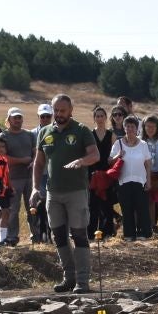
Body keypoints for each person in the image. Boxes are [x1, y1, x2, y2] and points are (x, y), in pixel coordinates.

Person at [35, 94, 99, 291]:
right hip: (53, 193)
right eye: (56, 110)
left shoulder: (81, 130)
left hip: (76, 192)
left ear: (71, 110)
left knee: (79, 235)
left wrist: (81, 161)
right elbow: (38, 163)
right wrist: (35, 188)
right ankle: (68, 278)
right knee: (59, 236)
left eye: (63, 111)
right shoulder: (44, 132)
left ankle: (82, 281)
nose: (59, 114)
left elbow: (95, 155)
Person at [0, 108, 37, 246]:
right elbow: (1, 156)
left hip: (30, 177)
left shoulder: (29, 134)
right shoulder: (3, 136)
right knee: (13, 210)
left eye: (19, 117)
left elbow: (36, 152)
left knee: (33, 207)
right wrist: (22, 160)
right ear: (9, 119)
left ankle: (36, 235)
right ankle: (12, 237)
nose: (17, 120)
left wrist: (33, 162)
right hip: (12, 179)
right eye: (15, 118)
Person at [112, 115, 155, 241]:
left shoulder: (143, 144)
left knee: (142, 207)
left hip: (140, 181)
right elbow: (110, 160)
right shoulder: (118, 143)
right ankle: (129, 234)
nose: (130, 129)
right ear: (124, 128)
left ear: (137, 129)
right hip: (123, 181)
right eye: (128, 126)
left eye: (133, 126)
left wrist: (149, 181)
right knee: (127, 208)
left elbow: (148, 163)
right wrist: (118, 156)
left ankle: (144, 233)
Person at [85, 104, 117, 240]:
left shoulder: (112, 135)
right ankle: (91, 232)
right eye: (97, 116)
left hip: (107, 173)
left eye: (102, 116)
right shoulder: (89, 135)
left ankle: (107, 231)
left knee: (107, 203)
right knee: (92, 204)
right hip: (92, 173)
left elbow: (115, 154)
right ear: (94, 118)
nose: (99, 118)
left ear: (106, 118)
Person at [29, 103, 53, 242]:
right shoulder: (32, 134)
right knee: (40, 207)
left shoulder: (56, 131)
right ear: (38, 116)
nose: (45, 118)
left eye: (47, 116)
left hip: (53, 175)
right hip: (39, 175)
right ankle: (41, 234)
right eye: (42, 116)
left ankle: (51, 234)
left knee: (52, 206)